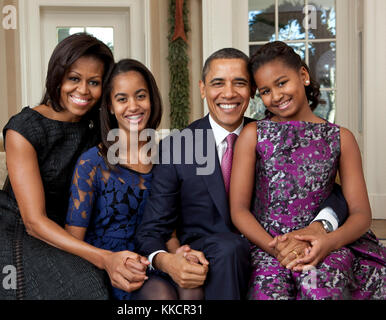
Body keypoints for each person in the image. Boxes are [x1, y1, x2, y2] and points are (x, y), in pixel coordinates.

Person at [135, 47, 349, 300]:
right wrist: (167, 260)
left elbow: (326, 188)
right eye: (218, 83)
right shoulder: (178, 146)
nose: (229, 93)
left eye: (239, 83)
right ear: (203, 89)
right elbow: (151, 230)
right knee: (229, 247)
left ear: (252, 91)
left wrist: (322, 224)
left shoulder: (272, 134)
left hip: (274, 247)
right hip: (213, 255)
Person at [0, 33, 115, 299]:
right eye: (74, 78)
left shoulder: (96, 127)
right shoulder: (25, 128)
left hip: (61, 228)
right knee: (84, 289)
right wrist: (104, 258)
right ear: (57, 76)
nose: (83, 90)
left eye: (94, 82)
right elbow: (34, 221)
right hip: (10, 227)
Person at [230, 41, 386, 299]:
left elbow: (361, 214)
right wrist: (277, 249)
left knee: (321, 287)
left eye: (282, 83)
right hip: (269, 246)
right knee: (269, 291)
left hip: (325, 245)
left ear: (303, 75)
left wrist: (327, 243)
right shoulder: (253, 135)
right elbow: (238, 210)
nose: (276, 96)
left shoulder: (341, 138)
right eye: (266, 91)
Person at [64, 59, 162, 300]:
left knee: (191, 290)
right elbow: (73, 241)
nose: (133, 106)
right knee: (162, 296)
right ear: (109, 105)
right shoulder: (92, 163)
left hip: (153, 259)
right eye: (122, 99)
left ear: (152, 100)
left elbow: (171, 228)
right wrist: (108, 261)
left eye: (140, 96)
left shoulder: (167, 157)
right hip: (107, 267)